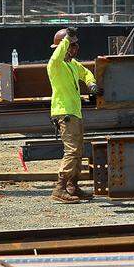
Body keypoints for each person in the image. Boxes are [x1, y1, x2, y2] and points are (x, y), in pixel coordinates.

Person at [46, 27, 98, 203]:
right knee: (72, 151)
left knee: (78, 152)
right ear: (64, 46)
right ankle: (59, 188)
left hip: (75, 112)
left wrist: (91, 84)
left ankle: (72, 186)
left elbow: (86, 72)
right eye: (72, 45)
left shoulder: (72, 64)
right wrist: (67, 38)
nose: (76, 49)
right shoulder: (55, 64)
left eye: (76, 45)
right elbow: (57, 54)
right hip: (65, 112)